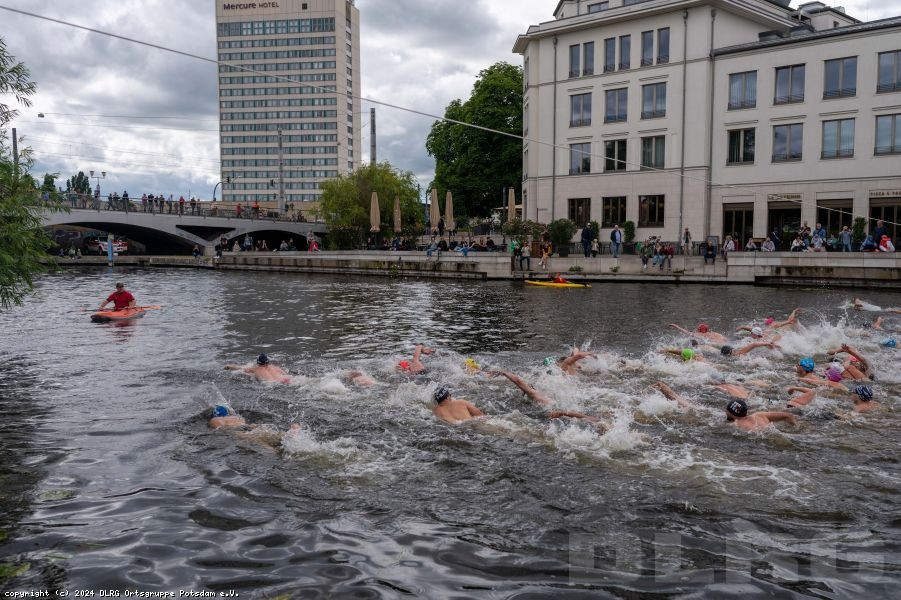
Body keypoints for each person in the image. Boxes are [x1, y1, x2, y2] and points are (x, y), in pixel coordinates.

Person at [208, 405, 301, 450]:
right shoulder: (237, 417)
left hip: (237, 431)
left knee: (262, 444)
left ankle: (275, 451)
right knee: (270, 434)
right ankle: (291, 431)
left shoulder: (215, 420)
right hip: (250, 427)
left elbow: (220, 430)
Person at [725, 399, 797, 432]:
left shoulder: (735, 425)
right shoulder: (760, 415)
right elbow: (788, 415)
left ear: (730, 412)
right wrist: (795, 429)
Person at [224, 353, 292, 383]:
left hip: (271, 383)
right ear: (267, 362)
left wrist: (228, 366)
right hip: (286, 379)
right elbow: (285, 373)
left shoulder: (255, 369)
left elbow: (240, 369)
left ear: (258, 363)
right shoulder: (274, 367)